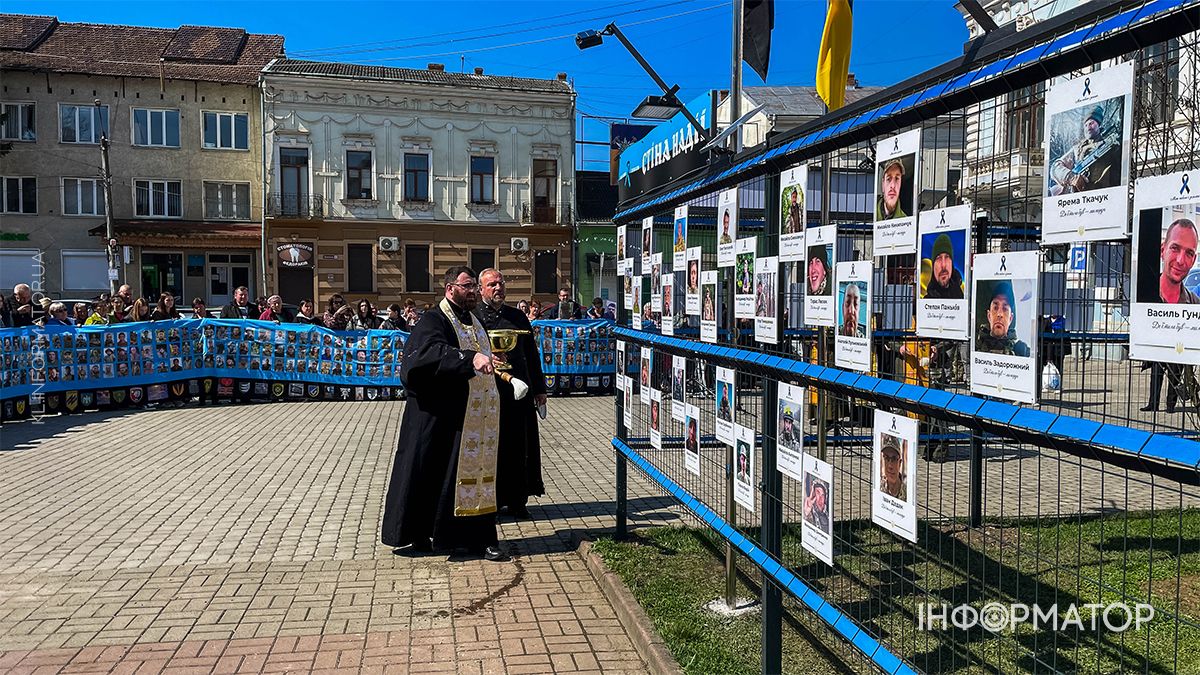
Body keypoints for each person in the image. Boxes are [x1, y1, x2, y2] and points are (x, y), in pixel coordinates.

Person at [381, 266, 505, 561]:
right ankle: (421, 535)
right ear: (450, 289)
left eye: (474, 286)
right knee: (428, 474)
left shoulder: (473, 321)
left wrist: (489, 359)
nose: (473, 291)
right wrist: (468, 358)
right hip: (434, 415)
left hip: (466, 414)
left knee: (464, 475)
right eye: (467, 286)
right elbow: (423, 357)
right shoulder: (433, 319)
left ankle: (475, 539)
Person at [1049, 105, 1119, 195]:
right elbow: (1055, 168)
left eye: (1091, 123)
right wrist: (1072, 178)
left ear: (1099, 125)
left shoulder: (1111, 145)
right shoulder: (1077, 149)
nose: (1088, 127)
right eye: (1086, 125)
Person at [975, 280, 1029, 356]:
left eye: (1005, 309)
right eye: (995, 308)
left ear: (1010, 318)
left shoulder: (1023, 352)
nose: (999, 314)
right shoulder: (972, 348)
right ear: (989, 316)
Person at [1157, 218, 1199, 305]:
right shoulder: (1139, 295)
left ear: (1193, 260)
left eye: (1189, 253)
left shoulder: (1196, 306)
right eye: (1175, 248)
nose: (1180, 260)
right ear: (1162, 250)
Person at [924, 234, 964, 299]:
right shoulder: (926, 302)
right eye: (938, 258)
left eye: (947, 257)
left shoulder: (961, 297)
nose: (943, 265)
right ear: (933, 267)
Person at [880, 435, 907, 501]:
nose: (890, 466)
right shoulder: (880, 488)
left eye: (894, 459)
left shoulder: (907, 492)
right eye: (886, 458)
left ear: (900, 463)